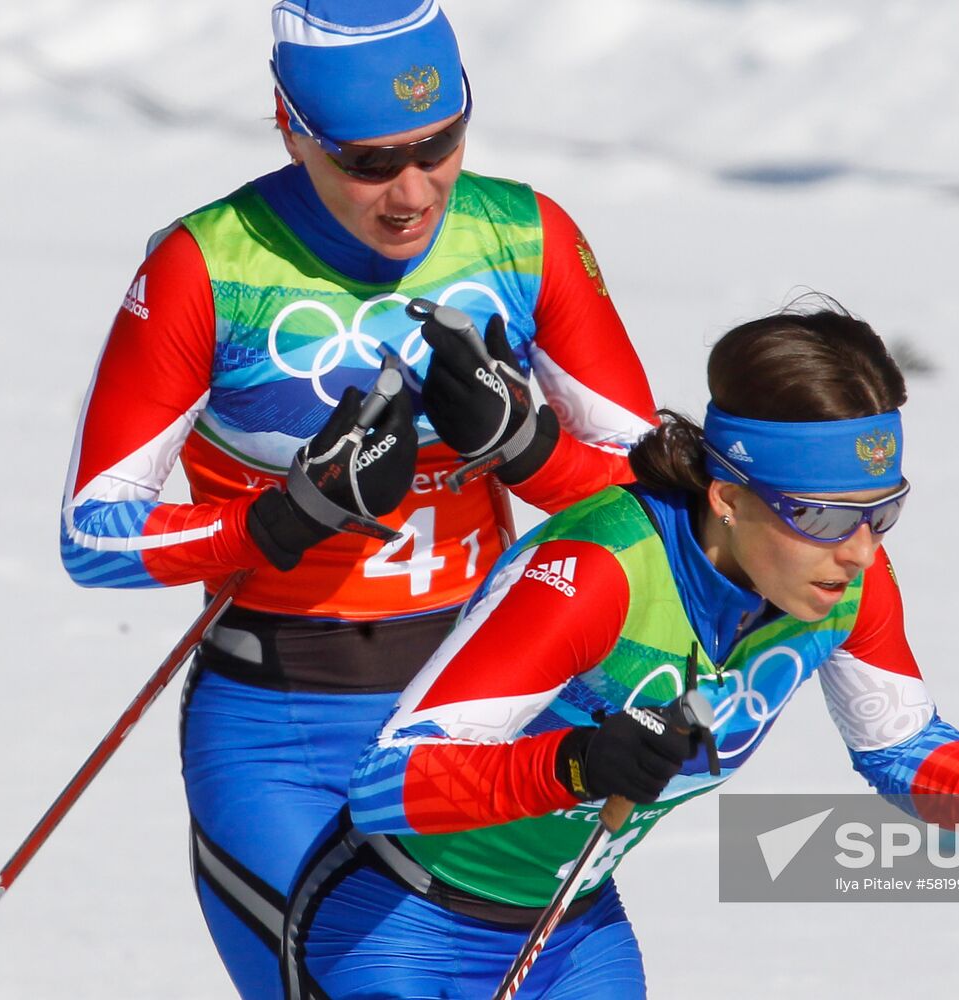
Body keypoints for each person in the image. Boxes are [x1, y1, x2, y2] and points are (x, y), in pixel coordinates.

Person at [279, 303, 959, 999]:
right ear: (728, 497)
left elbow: (901, 749)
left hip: (569, 930)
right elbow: (386, 785)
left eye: (883, 512)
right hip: (395, 927)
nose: (859, 551)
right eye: (825, 516)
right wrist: (577, 762)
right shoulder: (595, 574)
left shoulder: (845, 587)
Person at [58, 3, 657, 997]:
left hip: (486, 713)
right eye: (369, 164)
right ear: (291, 127)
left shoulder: (524, 234)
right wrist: (282, 517)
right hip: (284, 722)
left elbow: (657, 500)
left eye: (440, 145)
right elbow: (94, 535)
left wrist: (528, 447)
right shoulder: (210, 264)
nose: (412, 192)